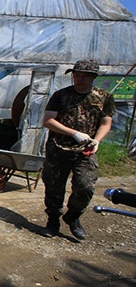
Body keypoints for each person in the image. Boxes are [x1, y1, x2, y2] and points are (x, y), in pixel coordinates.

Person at [40, 59, 115, 240]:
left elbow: (106, 122)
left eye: (85, 76)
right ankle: (53, 220)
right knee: (54, 187)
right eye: (77, 75)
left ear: (93, 77)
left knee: (85, 186)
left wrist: (96, 140)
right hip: (59, 148)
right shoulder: (61, 96)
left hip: (85, 151)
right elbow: (48, 120)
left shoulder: (103, 97)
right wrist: (73, 133)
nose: (80, 79)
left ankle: (73, 216)